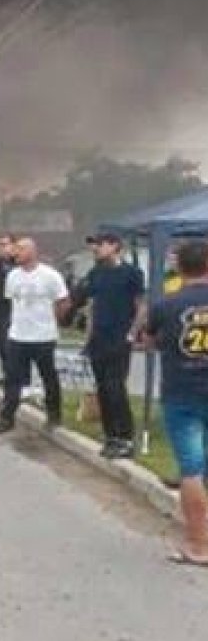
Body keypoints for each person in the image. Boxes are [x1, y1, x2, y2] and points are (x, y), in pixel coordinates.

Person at [144, 240, 208, 566]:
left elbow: (148, 340)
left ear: (179, 268)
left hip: (181, 391)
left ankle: (199, 545)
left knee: (192, 469)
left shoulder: (166, 304)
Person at [73, 233, 145, 458]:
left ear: (115, 246)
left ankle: (125, 436)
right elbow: (92, 307)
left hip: (119, 337)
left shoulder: (131, 273)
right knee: (102, 388)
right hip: (99, 339)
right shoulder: (96, 274)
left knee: (115, 388)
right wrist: (88, 339)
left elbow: (141, 305)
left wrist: (132, 333)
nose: (96, 248)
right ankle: (110, 435)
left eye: (101, 244)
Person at [0, 237, 71, 434]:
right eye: (15, 249)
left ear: (32, 252)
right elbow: (12, 301)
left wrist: (55, 319)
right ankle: (7, 417)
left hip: (43, 336)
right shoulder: (13, 277)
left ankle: (54, 416)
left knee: (48, 376)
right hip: (18, 336)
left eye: (20, 249)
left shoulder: (50, 275)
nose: (15, 253)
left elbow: (64, 301)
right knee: (13, 378)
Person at [0, 233, 18, 385]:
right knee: (1, 344)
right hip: (0, 307)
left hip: (12, 308)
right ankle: (6, 374)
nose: (1, 248)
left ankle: (16, 377)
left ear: (13, 246)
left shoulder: (17, 264)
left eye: (4, 245)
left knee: (10, 345)